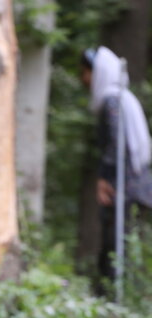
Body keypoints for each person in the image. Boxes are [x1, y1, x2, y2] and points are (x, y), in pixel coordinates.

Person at [80, 46, 152, 294]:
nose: (84, 79)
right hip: (135, 180)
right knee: (122, 239)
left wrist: (104, 178)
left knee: (116, 240)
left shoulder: (112, 100)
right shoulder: (121, 99)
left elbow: (116, 142)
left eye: (87, 72)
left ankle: (111, 296)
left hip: (124, 183)